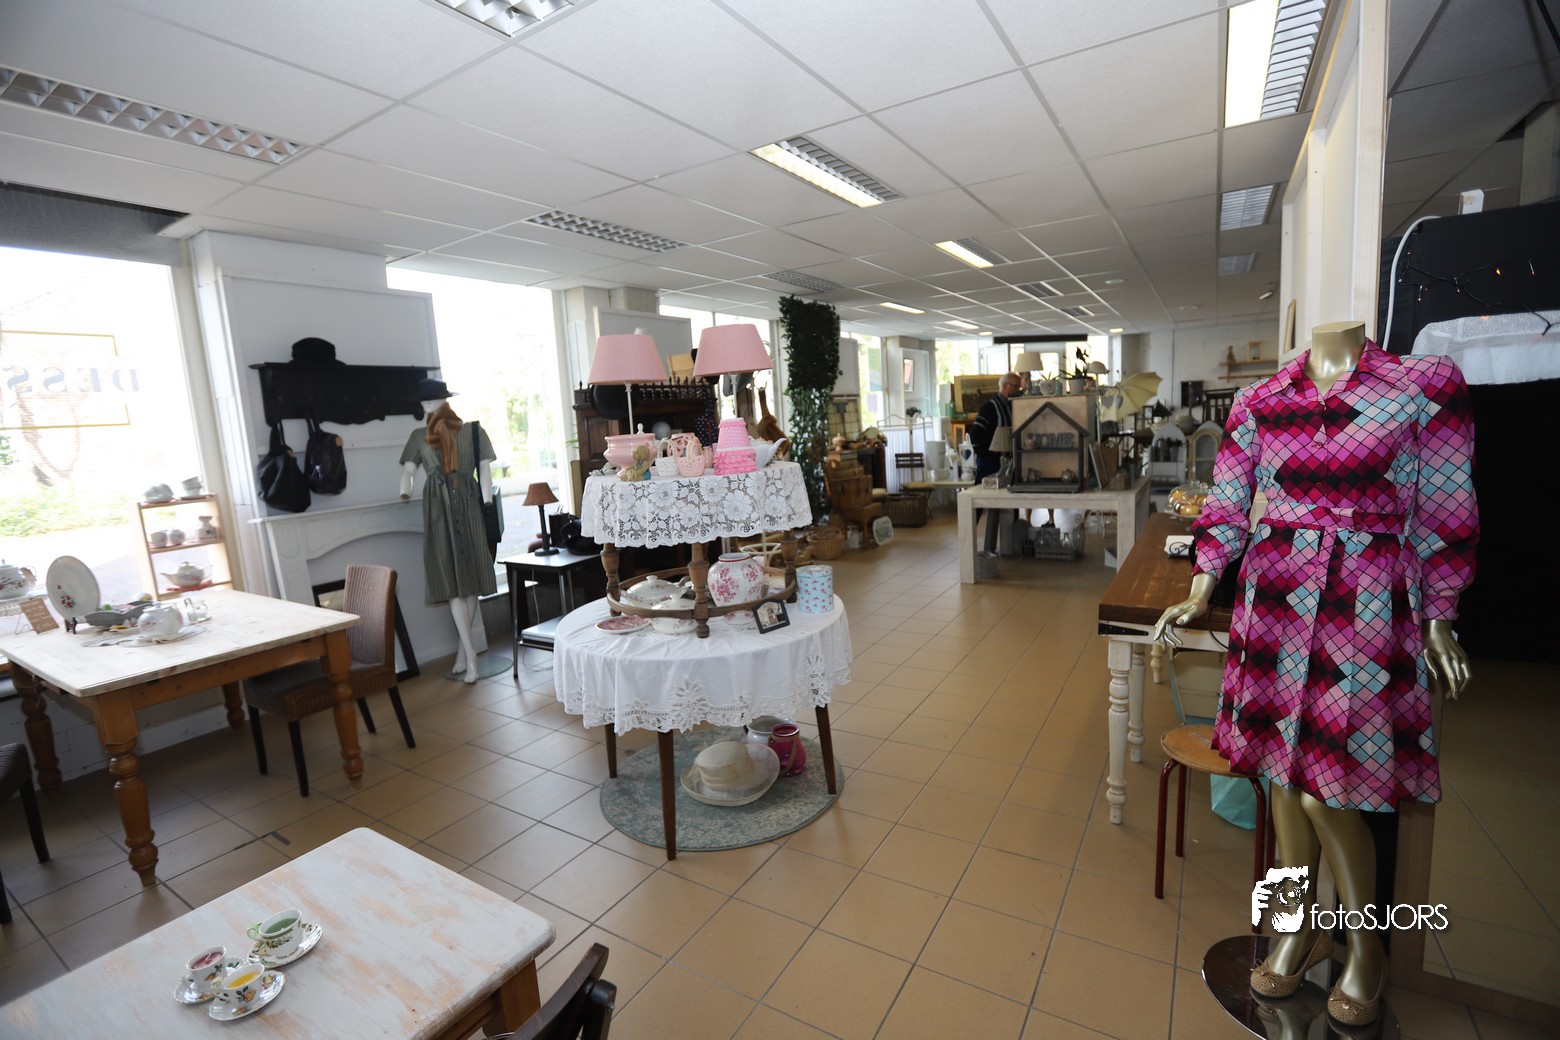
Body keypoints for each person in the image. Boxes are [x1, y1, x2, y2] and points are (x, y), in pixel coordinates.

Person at [1152, 320, 1478, 1027]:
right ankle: (1294, 928)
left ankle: (1367, 949)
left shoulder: (1422, 387)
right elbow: (1227, 501)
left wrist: (1440, 614)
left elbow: (1446, 507)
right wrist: (1203, 586)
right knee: (1278, 779)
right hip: (1275, 594)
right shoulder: (1263, 399)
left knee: (1328, 791)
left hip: (1365, 597)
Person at [399, 379, 497, 685]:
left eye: (432, 399)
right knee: (454, 585)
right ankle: (469, 655)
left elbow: (485, 469)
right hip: (439, 510)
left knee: (469, 583)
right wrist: (404, 488)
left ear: (445, 400)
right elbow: (408, 470)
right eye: (424, 401)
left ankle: (466, 655)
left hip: (469, 507)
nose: (427, 405)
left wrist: (487, 498)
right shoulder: (418, 436)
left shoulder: (473, 431)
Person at [968, 373, 1020, 553]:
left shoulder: (1011, 406)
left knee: (1009, 501)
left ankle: (1009, 545)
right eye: (1016, 386)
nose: (1018, 390)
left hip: (1007, 461)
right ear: (1005, 386)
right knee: (978, 502)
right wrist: (986, 455)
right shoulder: (990, 407)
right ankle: (967, 541)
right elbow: (975, 435)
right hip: (990, 462)